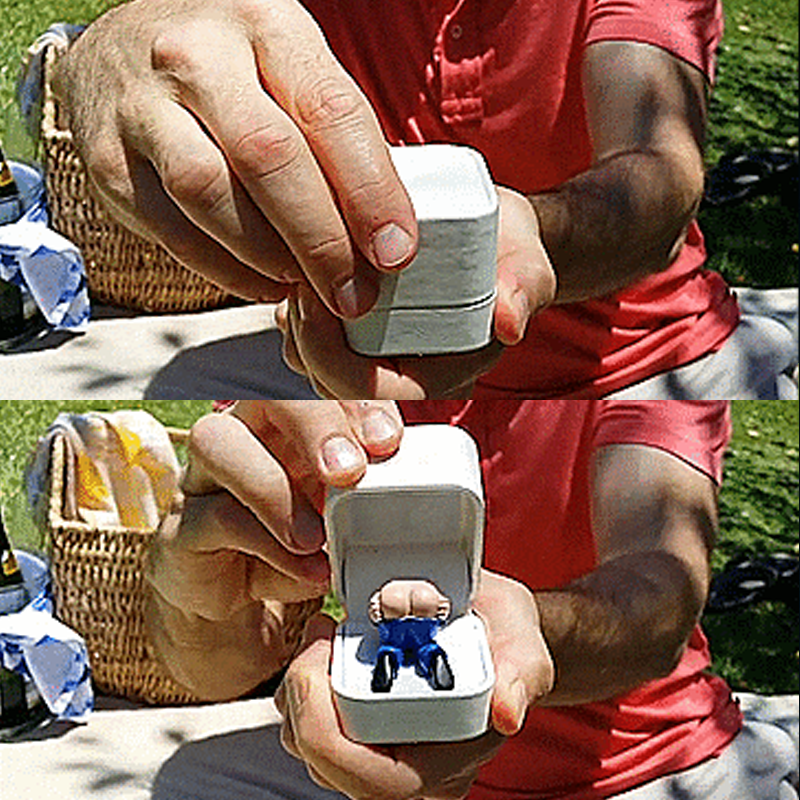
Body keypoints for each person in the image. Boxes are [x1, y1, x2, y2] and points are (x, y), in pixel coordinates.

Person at [53, 0, 800, 399]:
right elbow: (170, 27)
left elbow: (659, 175)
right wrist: (112, 47)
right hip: (350, 351)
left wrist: (531, 232)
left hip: (644, 358)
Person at [144, 400, 798, 799]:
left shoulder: (650, 371)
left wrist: (518, 632)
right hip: (348, 766)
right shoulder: (304, 395)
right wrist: (195, 605)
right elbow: (215, 667)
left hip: (640, 765)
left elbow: (658, 600)